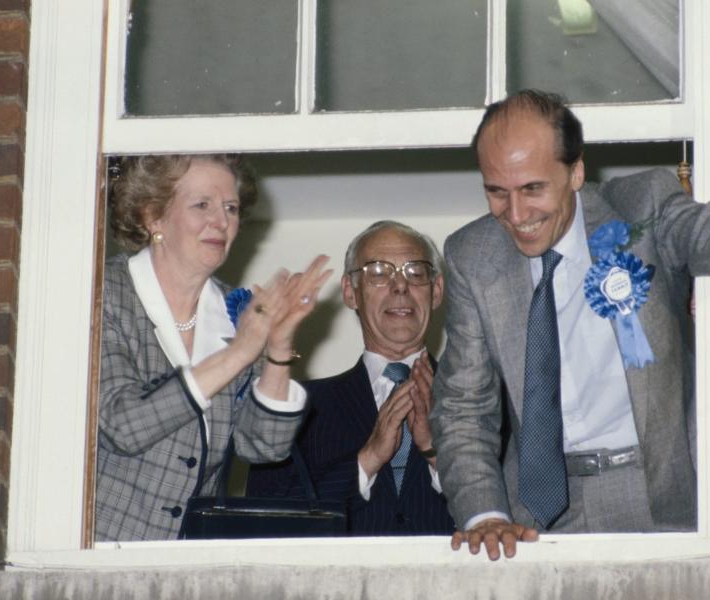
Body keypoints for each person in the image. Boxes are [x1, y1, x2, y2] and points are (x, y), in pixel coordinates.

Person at [430, 60, 710, 559]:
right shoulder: (472, 254)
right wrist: (485, 515)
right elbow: (464, 407)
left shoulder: (642, 206)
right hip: (532, 519)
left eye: (533, 189)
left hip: (656, 497)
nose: (515, 215)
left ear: (576, 171)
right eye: (496, 192)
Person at [96, 154, 332, 541]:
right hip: (100, 550)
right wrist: (239, 352)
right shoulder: (104, 293)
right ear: (154, 216)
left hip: (187, 560)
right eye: (202, 205)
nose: (221, 222)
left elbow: (262, 445)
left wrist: (277, 347)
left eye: (231, 208)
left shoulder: (234, 310)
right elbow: (124, 425)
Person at [248, 221, 455, 535]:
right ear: (350, 292)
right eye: (378, 273)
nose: (400, 286)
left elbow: (511, 509)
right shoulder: (297, 409)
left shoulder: (480, 398)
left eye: (415, 272)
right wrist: (367, 460)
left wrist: (437, 454)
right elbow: (265, 521)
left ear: (436, 291)